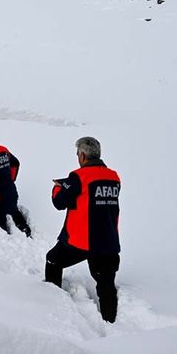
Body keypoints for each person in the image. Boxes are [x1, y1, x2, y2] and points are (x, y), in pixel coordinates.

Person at [45, 137, 121, 323]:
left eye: (78, 154)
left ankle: (50, 301)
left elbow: (59, 202)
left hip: (80, 241)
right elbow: (93, 199)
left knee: (53, 260)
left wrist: (57, 188)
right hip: (108, 241)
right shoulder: (114, 176)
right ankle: (110, 323)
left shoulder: (78, 176)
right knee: (106, 284)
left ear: (83, 155)